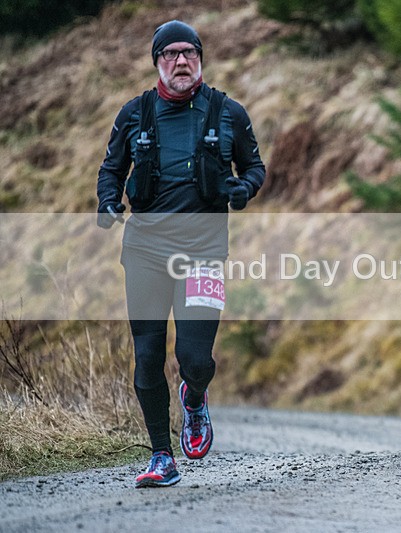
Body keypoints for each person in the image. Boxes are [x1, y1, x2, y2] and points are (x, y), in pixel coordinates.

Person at [96, 20, 265, 488]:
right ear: (157, 62)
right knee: (148, 355)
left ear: (201, 59)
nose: (181, 61)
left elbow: (254, 166)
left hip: (203, 251)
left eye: (189, 52)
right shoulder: (134, 113)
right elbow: (111, 170)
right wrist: (107, 202)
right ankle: (161, 455)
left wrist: (244, 189)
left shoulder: (228, 112)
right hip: (144, 250)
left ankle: (194, 397)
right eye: (170, 54)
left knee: (196, 358)